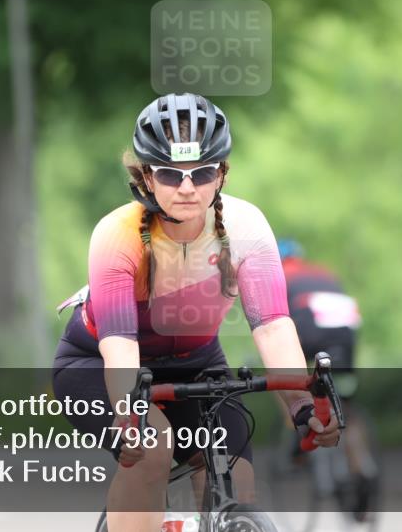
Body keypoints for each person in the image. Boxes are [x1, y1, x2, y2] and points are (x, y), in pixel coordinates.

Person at [52, 93, 340, 532]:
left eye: (201, 172)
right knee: (152, 449)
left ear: (221, 173)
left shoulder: (246, 227)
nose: (187, 188)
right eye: (170, 174)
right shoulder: (117, 234)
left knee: (236, 482)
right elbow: (119, 346)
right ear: (146, 176)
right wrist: (130, 416)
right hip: (96, 360)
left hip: (195, 363)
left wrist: (302, 403)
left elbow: (273, 326)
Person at [277, 238, 379, 521]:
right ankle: (362, 468)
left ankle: (298, 428)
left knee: (280, 373)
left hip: (310, 330)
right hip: (345, 334)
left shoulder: (280, 276)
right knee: (345, 403)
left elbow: (274, 326)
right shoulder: (324, 273)